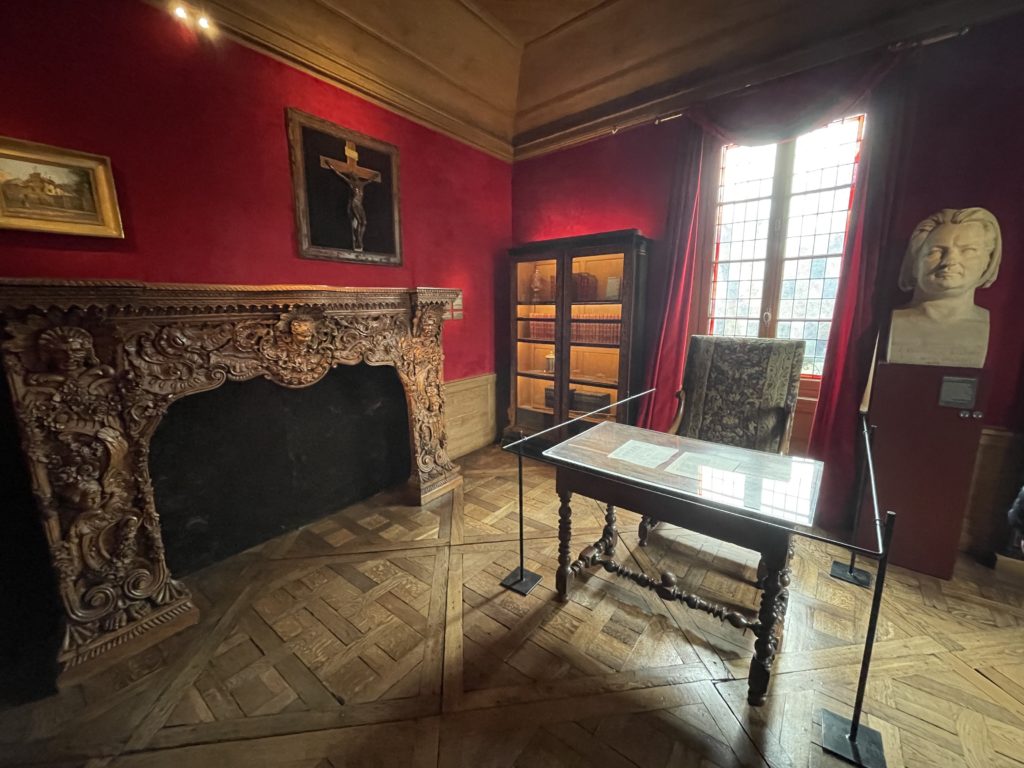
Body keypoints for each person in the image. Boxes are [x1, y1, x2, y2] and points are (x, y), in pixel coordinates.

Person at [887, 207, 1001, 368]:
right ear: (915, 263)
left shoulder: (981, 325)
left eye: (968, 250)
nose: (949, 261)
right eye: (936, 251)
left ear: (987, 262)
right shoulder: (896, 321)